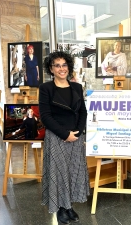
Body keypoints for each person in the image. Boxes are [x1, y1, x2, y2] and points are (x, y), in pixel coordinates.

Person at [39, 51, 89, 224]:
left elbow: (83, 111)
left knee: (73, 172)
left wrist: (79, 132)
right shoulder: (46, 89)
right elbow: (45, 117)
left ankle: (69, 206)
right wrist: (64, 134)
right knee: (59, 174)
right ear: (51, 69)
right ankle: (61, 208)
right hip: (57, 138)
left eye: (64, 65)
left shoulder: (76, 87)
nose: (61, 69)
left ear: (69, 67)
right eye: (57, 65)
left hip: (75, 137)